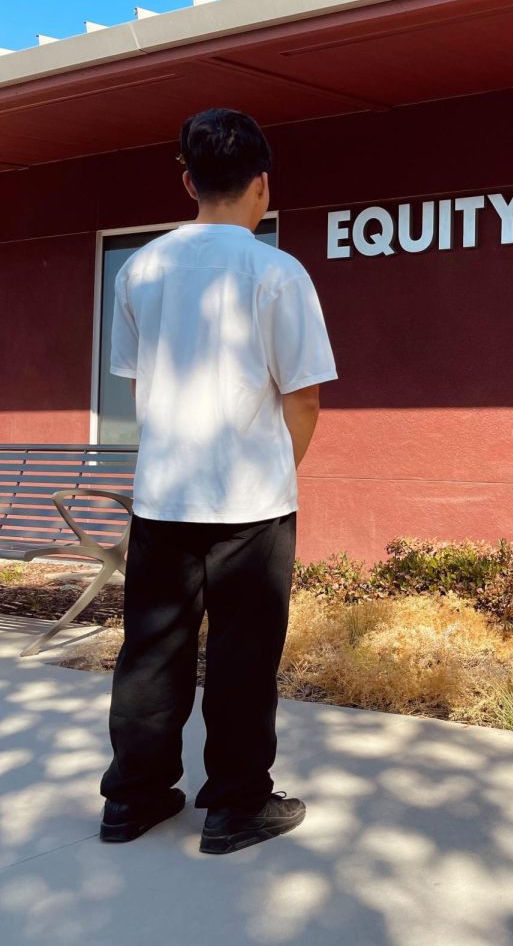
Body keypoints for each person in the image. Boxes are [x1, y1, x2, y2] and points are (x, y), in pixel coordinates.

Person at [98, 108, 337, 855]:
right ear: (262, 185)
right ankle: (235, 806)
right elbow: (303, 397)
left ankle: (132, 800)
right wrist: (271, 469)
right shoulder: (278, 272)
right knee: (242, 659)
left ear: (187, 180)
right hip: (252, 506)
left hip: (162, 497)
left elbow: (139, 389)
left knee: (150, 650)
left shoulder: (140, 268)